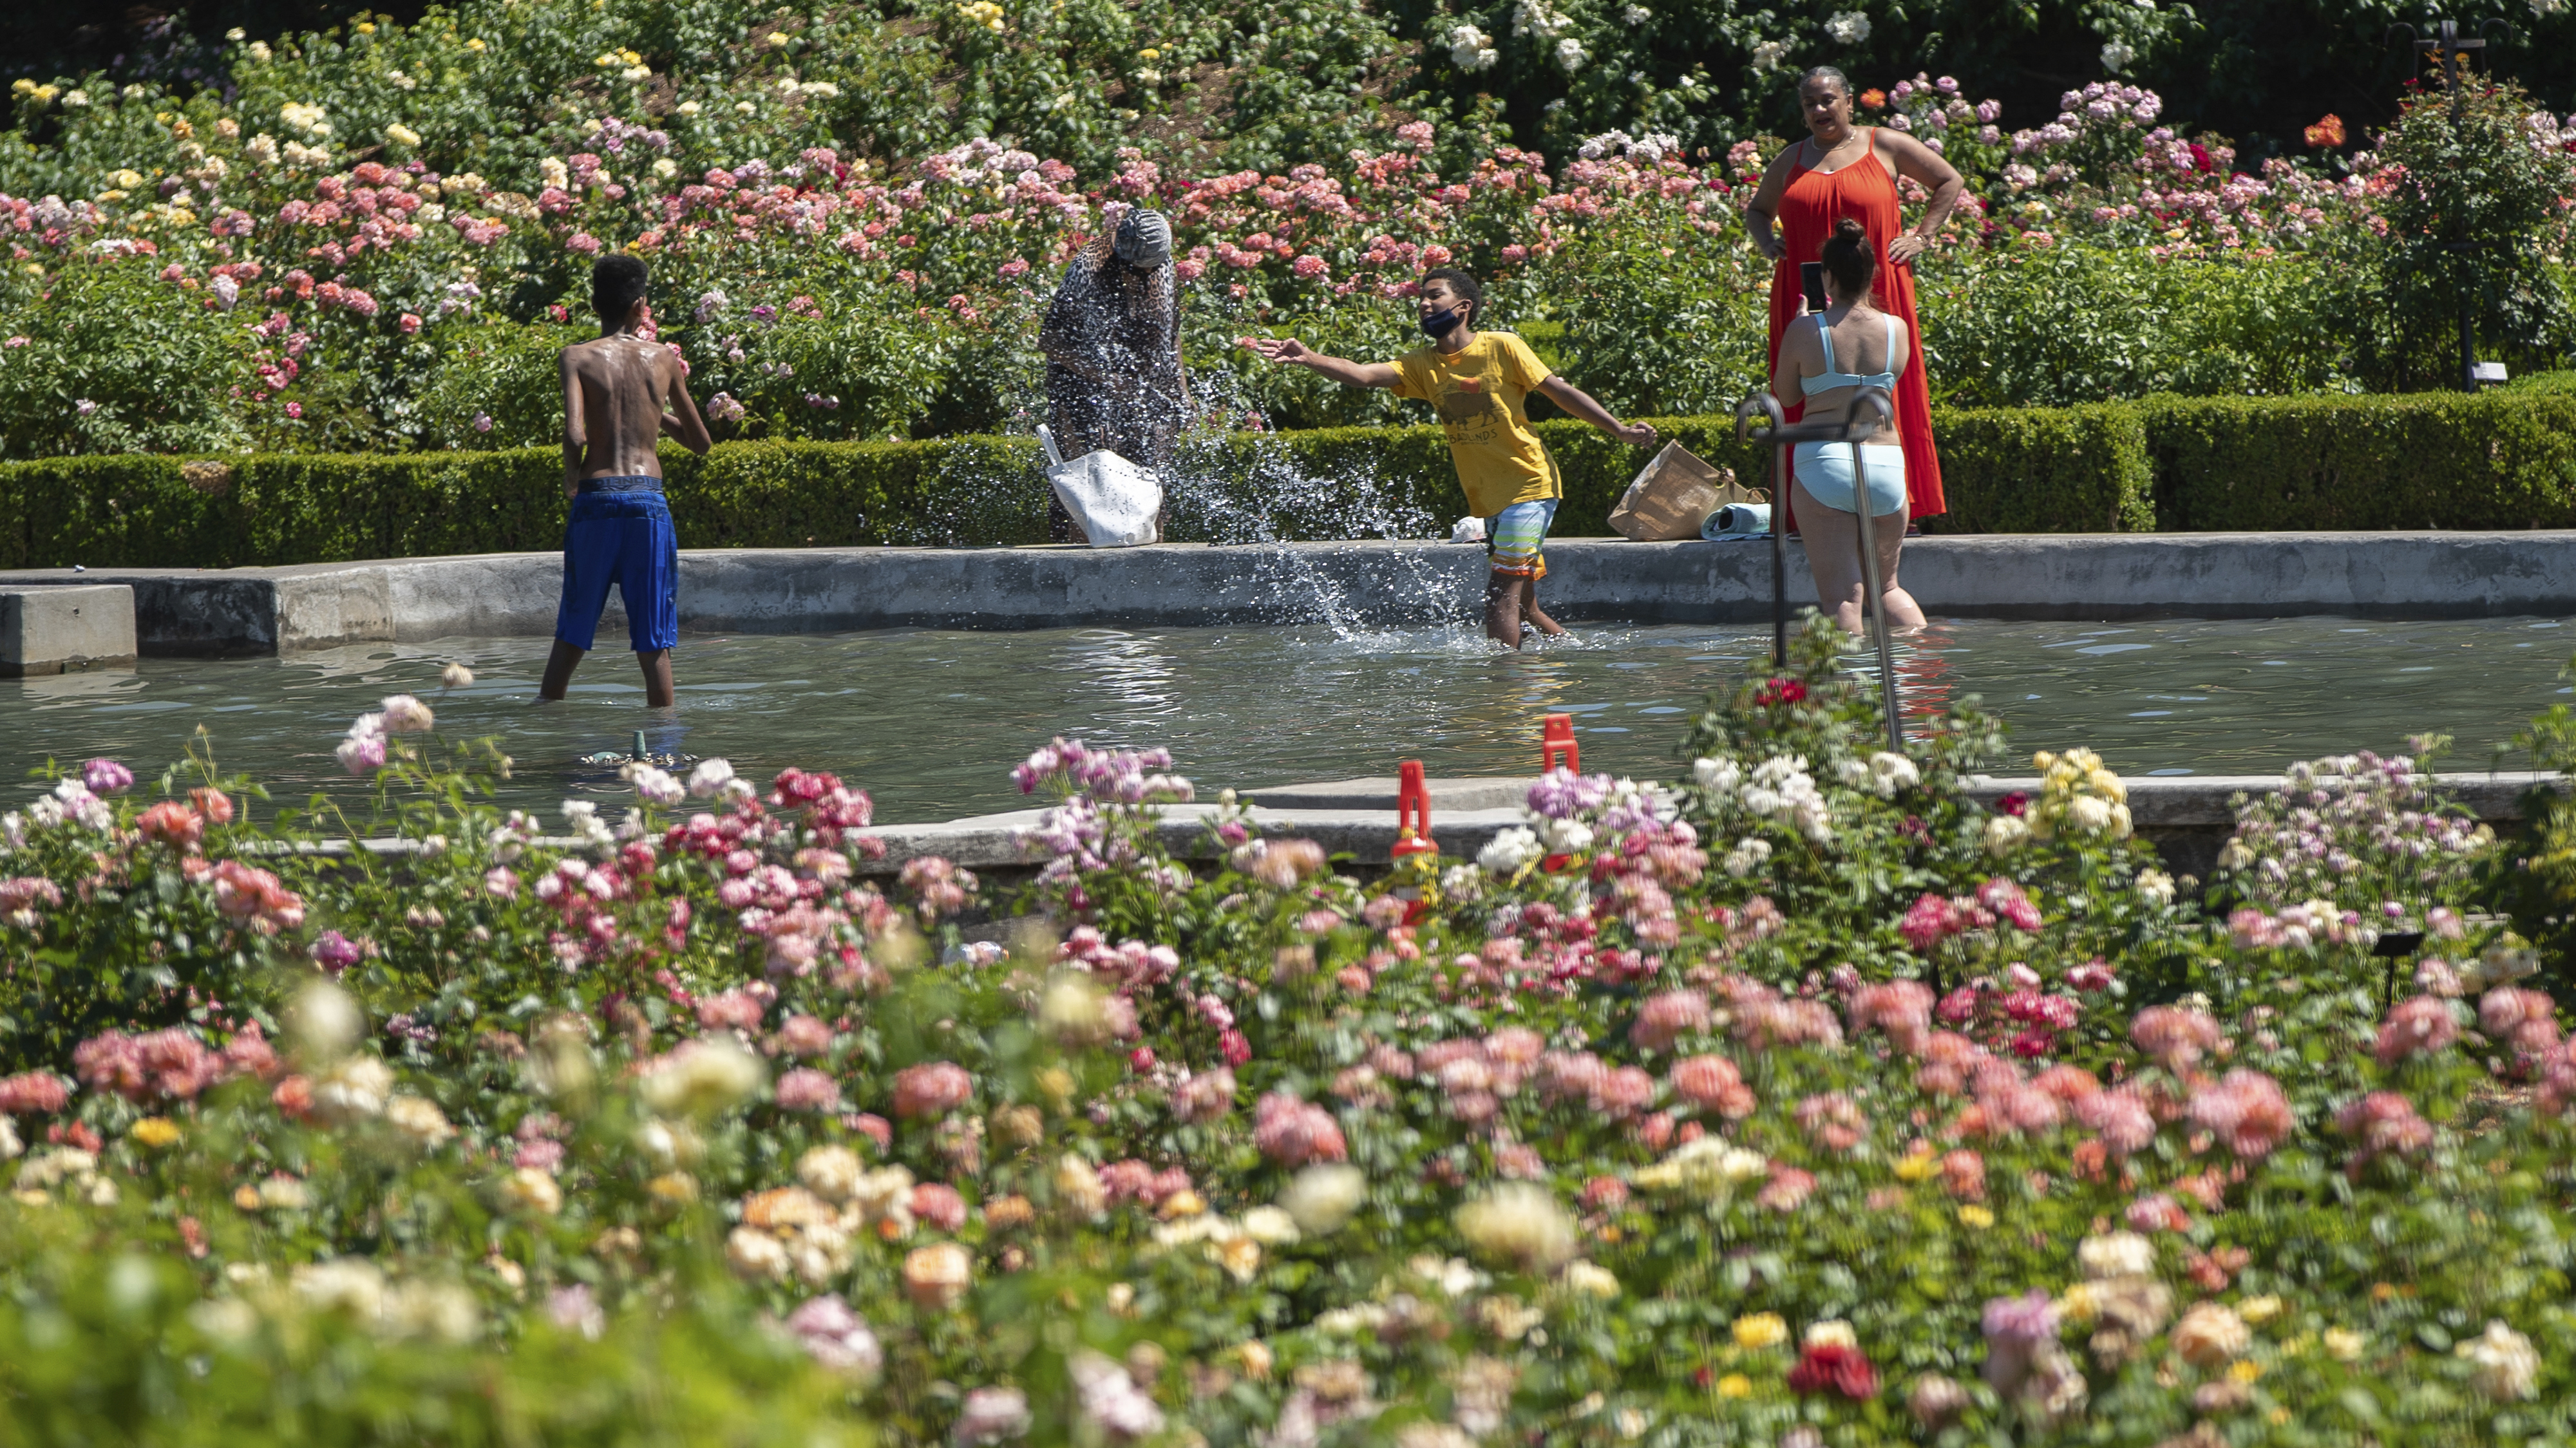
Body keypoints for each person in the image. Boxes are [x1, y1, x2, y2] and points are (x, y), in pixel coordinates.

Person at [1239, 268, 1656, 648]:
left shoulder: (1503, 347)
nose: (1424, 303)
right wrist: (1309, 358)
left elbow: (1559, 391)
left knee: (1499, 595)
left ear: (1463, 307)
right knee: (1524, 606)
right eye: (1421, 298)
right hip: (1489, 500)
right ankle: (1583, 657)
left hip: (1530, 486)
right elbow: (1362, 374)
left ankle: (1503, 691)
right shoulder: (1422, 365)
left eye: (1434, 296)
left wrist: (1618, 429)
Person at [1744, 64, 1964, 532]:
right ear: (1802, 111)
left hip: (1877, 290)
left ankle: (1897, 507)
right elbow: (1758, 210)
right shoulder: (1791, 158)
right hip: (1806, 290)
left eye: (1828, 100)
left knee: (1885, 387)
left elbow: (1949, 181)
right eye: (1810, 103)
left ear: (1848, 100)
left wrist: (1922, 236)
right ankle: (1809, 511)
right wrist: (1768, 244)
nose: (1820, 110)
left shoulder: (1883, 143)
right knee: (1806, 389)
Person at [541, 252, 712, 708]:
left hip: (596, 499)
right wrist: (656, 412)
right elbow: (701, 443)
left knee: (574, 625)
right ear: (641, 305)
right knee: (654, 636)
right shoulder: (663, 358)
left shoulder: (575, 357)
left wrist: (570, 478)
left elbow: (575, 432)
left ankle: (548, 724)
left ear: (595, 306)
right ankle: (664, 745)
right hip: (647, 503)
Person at [1772, 218, 1926, 635]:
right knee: (1888, 588)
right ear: (1873, 273)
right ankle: (1918, 680)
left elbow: (1785, 398)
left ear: (1826, 276)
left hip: (1826, 462)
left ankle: (1850, 693)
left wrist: (1803, 324)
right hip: (1886, 463)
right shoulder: (1897, 329)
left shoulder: (1807, 329)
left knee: (1843, 596)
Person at [1039, 207, 1188, 543]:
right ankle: (1083, 573)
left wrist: (1181, 392)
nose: (1145, 277)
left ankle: (1152, 575)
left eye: (1151, 270)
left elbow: (1171, 335)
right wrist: (1109, 382)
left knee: (1151, 489)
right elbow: (1050, 340)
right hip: (1083, 390)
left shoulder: (1163, 264)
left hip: (1144, 390)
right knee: (1093, 489)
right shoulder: (1090, 267)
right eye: (1137, 270)